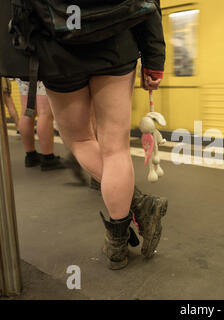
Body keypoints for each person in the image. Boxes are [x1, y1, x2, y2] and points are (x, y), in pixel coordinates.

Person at [38, 1, 167, 270]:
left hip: (58, 46)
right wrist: (154, 60)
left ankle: (139, 209)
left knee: (80, 140)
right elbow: (148, 3)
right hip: (115, 41)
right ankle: (118, 246)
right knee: (115, 148)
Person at [16, 79, 66, 170]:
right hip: (41, 71)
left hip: (22, 72)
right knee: (44, 113)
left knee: (26, 112)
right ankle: (48, 158)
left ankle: (31, 156)